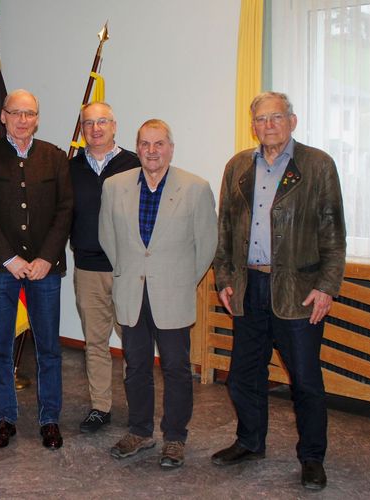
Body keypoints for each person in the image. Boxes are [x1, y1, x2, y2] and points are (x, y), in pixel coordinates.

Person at [211, 92, 346, 490]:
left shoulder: (317, 165)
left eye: (276, 118)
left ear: (293, 121)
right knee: (242, 376)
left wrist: (326, 288)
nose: (267, 125)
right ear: (252, 124)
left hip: (298, 291)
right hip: (249, 288)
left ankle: (311, 458)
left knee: (305, 382)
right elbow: (225, 231)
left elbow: (334, 237)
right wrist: (224, 278)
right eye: (260, 119)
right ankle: (250, 442)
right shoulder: (238, 166)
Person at [99, 119, 217, 469]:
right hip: (130, 292)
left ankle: (175, 438)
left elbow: (207, 244)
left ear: (171, 147)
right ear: (137, 148)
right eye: (146, 144)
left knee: (177, 368)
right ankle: (140, 431)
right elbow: (108, 238)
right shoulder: (114, 186)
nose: (152, 151)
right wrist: (128, 271)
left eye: (159, 144)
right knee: (135, 366)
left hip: (173, 294)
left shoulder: (195, 188)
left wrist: (182, 279)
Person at [0, 89, 73, 450]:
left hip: (46, 268)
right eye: (16, 113)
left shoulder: (55, 157)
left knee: (49, 349)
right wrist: (9, 259)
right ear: (3, 116)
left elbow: (65, 211)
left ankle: (50, 419)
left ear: (38, 118)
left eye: (30, 113)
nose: (23, 120)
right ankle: (5, 417)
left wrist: (46, 257)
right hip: (1, 269)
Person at [69, 102, 140, 433]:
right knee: (95, 342)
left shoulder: (134, 165)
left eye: (102, 122)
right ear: (82, 130)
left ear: (114, 126)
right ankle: (100, 407)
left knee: (134, 341)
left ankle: (138, 406)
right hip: (87, 268)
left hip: (126, 269)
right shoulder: (71, 168)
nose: (95, 129)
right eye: (88, 124)